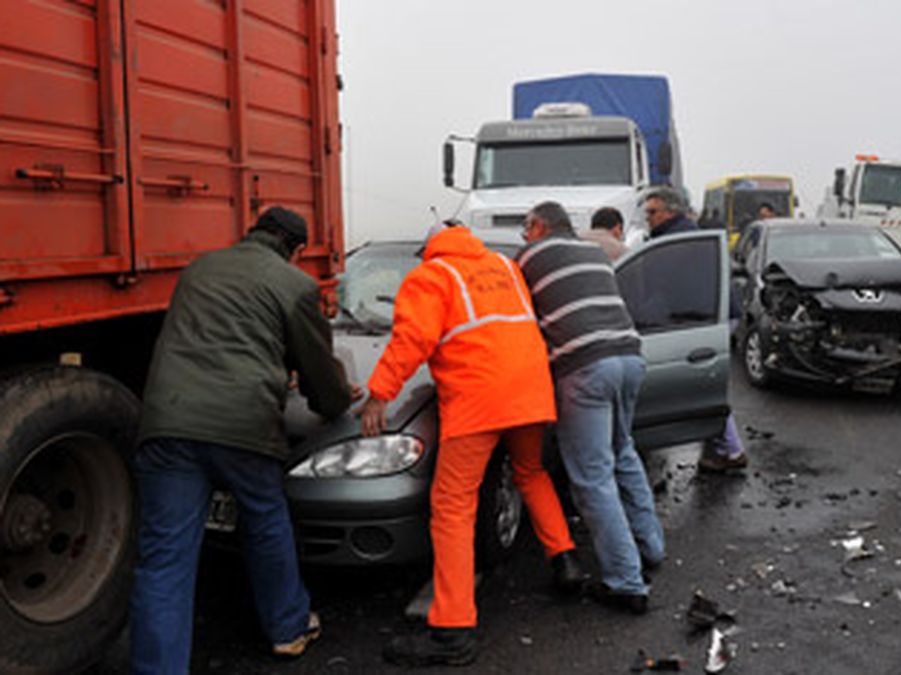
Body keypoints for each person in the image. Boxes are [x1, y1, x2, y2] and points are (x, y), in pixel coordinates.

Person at [131, 206, 358, 674]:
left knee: (165, 560)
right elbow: (318, 372)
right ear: (295, 251)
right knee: (266, 521)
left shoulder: (200, 268)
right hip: (242, 426)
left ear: (252, 233)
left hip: (168, 422)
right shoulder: (295, 284)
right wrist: (336, 401)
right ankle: (288, 629)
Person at [359, 221, 582, 667]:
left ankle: (452, 629)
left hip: (479, 399)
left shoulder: (432, 275)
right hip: (531, 391)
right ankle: (566, 561)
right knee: (530, 473)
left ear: (430, 248)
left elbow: (412, 340)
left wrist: (379, 394)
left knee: (452, 506)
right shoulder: (504, 266)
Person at [518, 201, 664, 615]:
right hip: (630, 358)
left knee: (592, 477)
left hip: (585, 368)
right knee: (623, 452)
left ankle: (626, 583)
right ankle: (651, 547)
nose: (523, 238)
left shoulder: (529, 258)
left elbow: (513, 312)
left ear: (539, 225)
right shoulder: (593, 252)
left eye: (526, 230)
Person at [642, 188, 749, 472]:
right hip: (710, 315)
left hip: (708, 318)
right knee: (706, 387)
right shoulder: (682, 234)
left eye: (652, 212)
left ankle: (732, 450)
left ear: (670, 211)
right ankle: (718, 449)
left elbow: (659, 291)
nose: (648, 218)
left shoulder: (674, 241)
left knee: (705, 390)